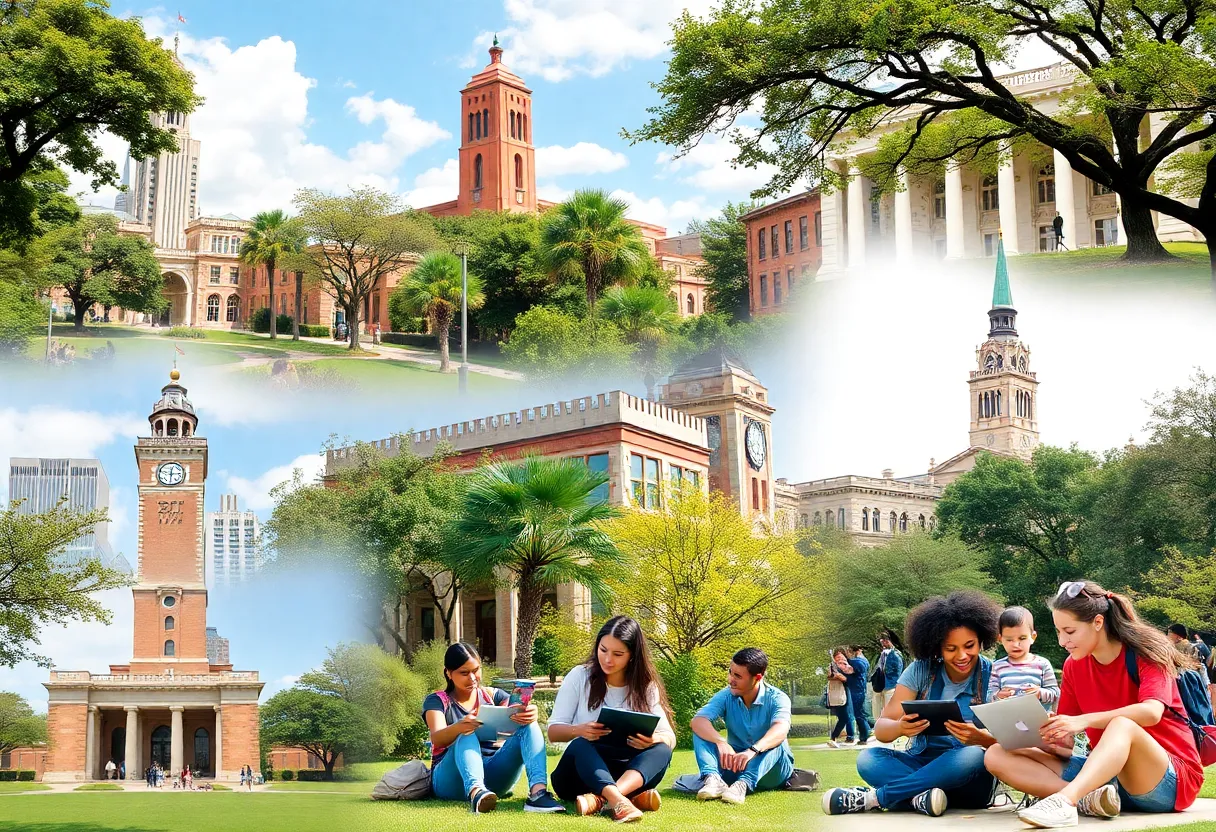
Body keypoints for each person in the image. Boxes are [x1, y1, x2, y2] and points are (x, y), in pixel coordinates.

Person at [985, 580, 1206, 827]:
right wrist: (1042, 736)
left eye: (1069, 631)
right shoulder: (1073, 665)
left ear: (1098, 622)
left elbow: (1152, 712)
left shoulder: (1145, 652)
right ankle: (1090, 800)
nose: (1062, 641)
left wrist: (1084, 720)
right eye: (1059, 632)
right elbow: (1067, 745)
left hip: (1168, 779)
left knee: (1122, 724)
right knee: (996, 755)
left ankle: (1065, 802)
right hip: (1107, 774)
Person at [823, 590, 1002, 818]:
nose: (962, 656)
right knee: (869, 759)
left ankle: (877, 798)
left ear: (981, 640)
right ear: (937, 646)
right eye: (951, 649)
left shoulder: (994, 674)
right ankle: (922, 798)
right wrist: (900, 728)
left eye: (970, 646)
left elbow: (1010, 741)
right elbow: (882, 729)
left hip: (969, 778)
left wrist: (981, 738)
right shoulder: (920, 670)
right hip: (921, 760)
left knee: (974, 755)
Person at [547, 615, 676, 823]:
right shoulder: (579, 676)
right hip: (580, 773)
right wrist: (579, 730)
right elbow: (553, 732)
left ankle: (605, 799)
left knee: (662, 749)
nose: (608, 659)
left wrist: (655, 740)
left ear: (632, 655)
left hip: (627, 772)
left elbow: (670, 738)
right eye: (603, 650)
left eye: (618, 654)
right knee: (581, 744)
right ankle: (624, 799)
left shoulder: (645, 686)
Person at [424, 641, 562, 815]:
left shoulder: (492, 695)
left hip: (493, 778)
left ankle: (538, 794)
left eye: (476, 670)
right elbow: (437, 738)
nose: (473, 678)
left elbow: (513, 714)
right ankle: (476, 793)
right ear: (449, 673)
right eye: (464, 673)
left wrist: (529, 712)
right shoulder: (437, 701)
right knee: (466, 733)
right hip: (449, 780)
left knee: (529, 725)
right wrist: (460, 726)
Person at [691, 647, 796, 805]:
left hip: (772, 772)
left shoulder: (777, 698)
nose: (730, 680)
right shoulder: (727, 694)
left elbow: (780, 730)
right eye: (730, 672)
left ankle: (743, 785)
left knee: (776, 740)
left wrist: (753, 751)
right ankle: (713, 780)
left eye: (738, 676)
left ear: (757, 677)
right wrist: (720, 741)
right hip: (736, 765)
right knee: (701, 731)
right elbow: (698, 721)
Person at [987, 606, 1060, 708]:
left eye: (1022, 638)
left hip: (1038, 721)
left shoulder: (1042, 664)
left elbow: (1056, 694)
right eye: (1009, 640)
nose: (1016, 644)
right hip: (1008, 720)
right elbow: (989, 696)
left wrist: (1039, 693)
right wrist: (998, 696)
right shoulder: (997, 666)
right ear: (1000, 639)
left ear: (1033, 637)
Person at [826, 649, 855, 748]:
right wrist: (837, 675)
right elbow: (830, 676)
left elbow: (848, 679)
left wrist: (839, 675)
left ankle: (839, 737)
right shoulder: (832, 666)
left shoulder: (847, 665)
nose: (839, 659)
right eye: (837, 657)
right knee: (844, 717)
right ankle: (837, 737)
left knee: (847, 717)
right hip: (836, 694)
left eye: (841, 656)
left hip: (846, 692)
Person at [872, 633, 905, 718]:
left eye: (885, 641)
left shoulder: (896, 654)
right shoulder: (883, 654)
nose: (883, 644)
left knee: (889, 710)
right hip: (880, 685)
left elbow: (898, 671)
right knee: (877, 709)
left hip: (890, 685)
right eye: (882, 642)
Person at [851, 646, 875, 729]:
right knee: (864, 710)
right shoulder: (863, 660)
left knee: (864, 710)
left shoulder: (860, 661)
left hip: (861, 688)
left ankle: (869, 728)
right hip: (863, 687)